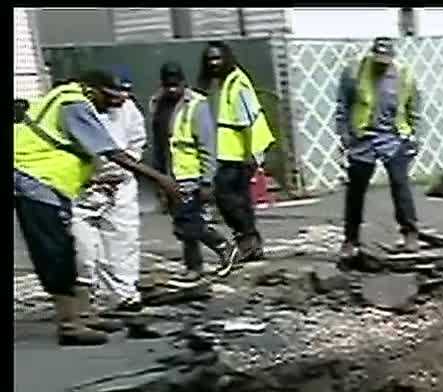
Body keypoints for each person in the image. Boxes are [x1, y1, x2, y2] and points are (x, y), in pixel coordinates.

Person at [14, 69, 181, 346]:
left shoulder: (67, 96)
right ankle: (70, 324)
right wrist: (159, 178)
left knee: (72, 249)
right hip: (34, 181)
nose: (116, 105)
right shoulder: (74, 104)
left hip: (48, 183)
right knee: (55, 251)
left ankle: (84, 314)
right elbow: (110, 151)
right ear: (93, 89)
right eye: (112, 98)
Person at [335, 36, 423, 260]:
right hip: (362, 137)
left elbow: (414, 109)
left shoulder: (404, 75)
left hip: (393, 136)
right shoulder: (354, 72)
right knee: (356, 190)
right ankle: (350, 239)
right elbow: (343, 106)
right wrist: (345, 135)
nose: (381, 65)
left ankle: (410, 233)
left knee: (400, 184)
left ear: (392, 58)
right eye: (378, 60)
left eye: (386, 61)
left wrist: (414, 137)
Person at [150, 61, 237, 285]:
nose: (171, 90)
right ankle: (194, 266)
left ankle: (223, 247)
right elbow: (158, 143)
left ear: (183, 82)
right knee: (182, 224)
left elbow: (207, 145)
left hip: (190, 173)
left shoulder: (196, 105)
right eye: (167, 86)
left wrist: (207, 180)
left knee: (188, 222)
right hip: (169, 174)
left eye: (175, 85)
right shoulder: (158, 104)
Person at [70, 66, 148, 315]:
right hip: (84, 188)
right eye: (113, 97)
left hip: (119, 185)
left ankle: (124, 296)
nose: (118, 103)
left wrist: (123, 172)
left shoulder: (129, 111)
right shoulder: (78, 109)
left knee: (123, 243)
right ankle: (91, 299)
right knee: (85, 249)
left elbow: (136, 143)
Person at [198, 41, 276, 264]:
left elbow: (247, 120)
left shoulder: (236, 82)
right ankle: (251, 244)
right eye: (210, 59)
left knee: (225, 197)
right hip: (231, 151)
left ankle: (247, 238)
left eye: (217, 58)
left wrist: (252, 154)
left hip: (240, 152)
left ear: (226, 58)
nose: (214, 63)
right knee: (240, 199)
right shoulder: (223, 83)